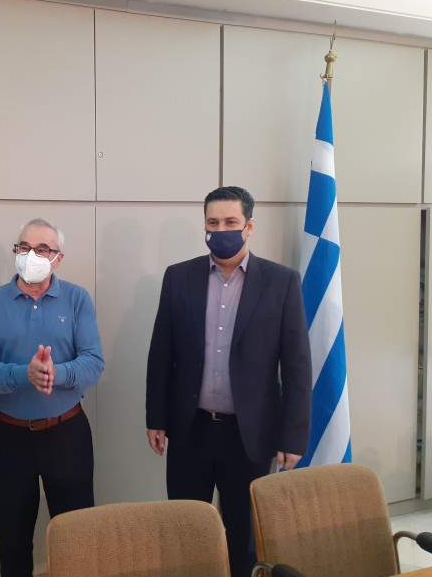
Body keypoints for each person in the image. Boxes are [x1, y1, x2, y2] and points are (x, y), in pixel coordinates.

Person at [145, 186, 312, 577]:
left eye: (230, 222)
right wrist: (156, 418)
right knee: (186, 528)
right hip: (191, 429)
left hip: (248, 436)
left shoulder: (281, 282)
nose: (221, 230)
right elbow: (161, 354)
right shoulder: (178, 277)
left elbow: (297, 366)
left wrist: (293, 436)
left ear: (249, 226)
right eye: (213, 222)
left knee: (244, 536)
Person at [0, 218, 104, 577]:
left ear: (58, 258)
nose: (31, 255)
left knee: (76, 536)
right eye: (24, 247)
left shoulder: (76, 299)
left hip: (67, 433)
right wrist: (24, 374)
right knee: (13, 541)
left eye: (42, 249)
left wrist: (57, 373)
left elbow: (93, 362)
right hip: (7, 437)